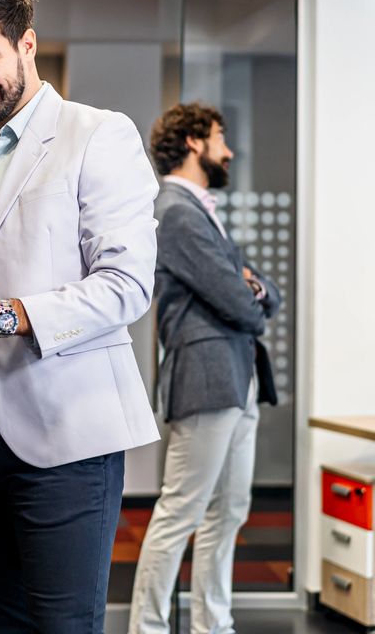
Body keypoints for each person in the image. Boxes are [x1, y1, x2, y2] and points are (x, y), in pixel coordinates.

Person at [0, 0, 161, 633]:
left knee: (64, 627)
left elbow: (128, 284)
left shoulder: (98, 135)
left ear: (27, 44)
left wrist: (7, 314)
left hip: (66, 433)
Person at [128, 102, 281, 634]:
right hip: (206, 377)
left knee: (229, 511)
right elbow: (240, 305)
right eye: (220, 138)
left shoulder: (201, 208)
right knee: (181, 514)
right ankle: (146, 628)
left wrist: (252, 286)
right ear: (193, 142)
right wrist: (249, 291)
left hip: (237, 378)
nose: (229, 150)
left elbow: (262, 292)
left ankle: (212, 624)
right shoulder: (173, 209)